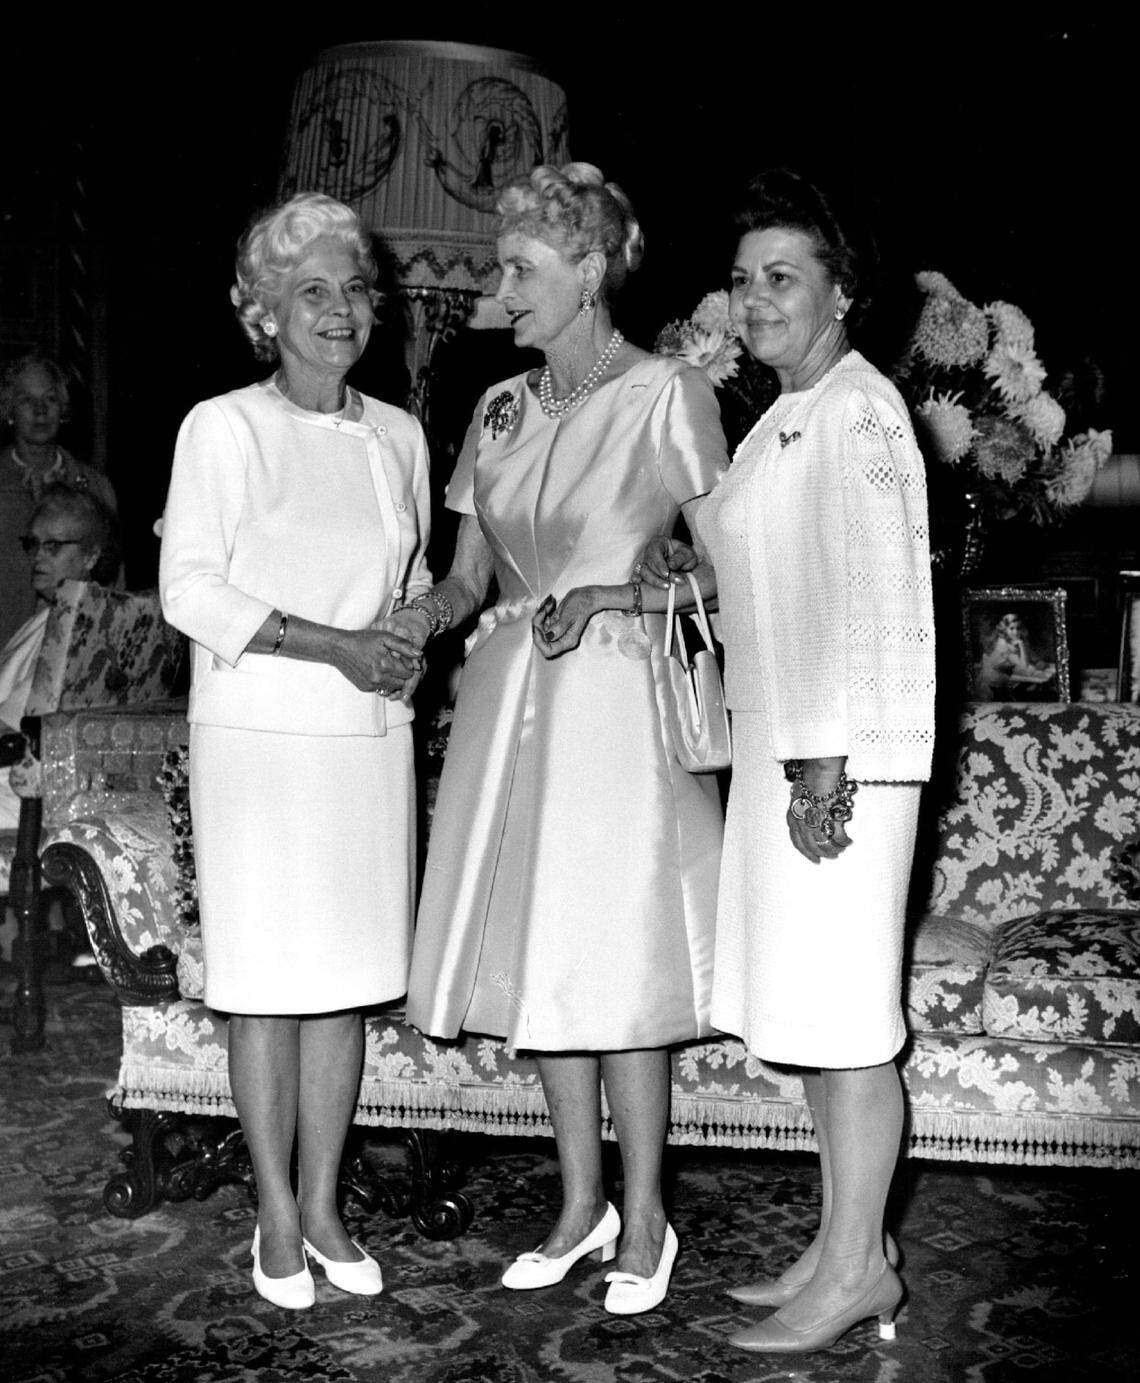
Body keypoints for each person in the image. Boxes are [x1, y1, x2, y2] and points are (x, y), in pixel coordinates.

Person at [403, 162, 728, 1315]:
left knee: (618, 961)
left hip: (618, 713)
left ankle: (648, 1218)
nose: (501, 290)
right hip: (507, 706)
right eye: (501, 268)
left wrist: (621, 598)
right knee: (549, 956)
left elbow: (723, 573)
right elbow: (465, 575)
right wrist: (415, 620)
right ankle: (581, 1204)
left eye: (521, 270)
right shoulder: (495, 408)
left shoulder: (666, 395)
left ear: (590, 273)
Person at [638, 168, 936, 1354]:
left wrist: (827, 764)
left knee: (850, 1023)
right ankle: (842, 1242)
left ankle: (861, 1268)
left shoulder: (861, 410)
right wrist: (692, 575)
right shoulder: (788, 413)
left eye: (783, 278)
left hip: (835, 757)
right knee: (814, 1015)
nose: (754, 300)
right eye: (744, 279)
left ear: (841, 292)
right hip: (787, 746)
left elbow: (872, 598)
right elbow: (768, 560)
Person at [159, 192, 433, 1310]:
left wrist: (409, 628)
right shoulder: (220, 427)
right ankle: (274, 1212)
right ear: (263, 310)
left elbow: (410, 581)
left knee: (343, 987)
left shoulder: (400, 434)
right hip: (261, 744)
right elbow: (190, 590)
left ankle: (325, 1205)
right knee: (268, 986)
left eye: (355, 290)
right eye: (311, 291)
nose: (339, 311)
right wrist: (337, 647)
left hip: (366, 741)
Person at [0, 485, 119, 829]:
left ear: (91, 556)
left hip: (18, 798)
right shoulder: (53, 614)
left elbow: (11, 728)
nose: (38, 556)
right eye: (33, 544)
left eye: (53, 545)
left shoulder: (75, 629)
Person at [0, 355, 117, 648]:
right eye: (27, 400)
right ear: (9, 410)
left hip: (73, 655)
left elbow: (113, 587)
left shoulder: (95, 487)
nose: (40, 411)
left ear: (62, 409)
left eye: (50, 399)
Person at [975, 611, 1055, 698]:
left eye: (1018, 628)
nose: (1016, 632)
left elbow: (1032, 657)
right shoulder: (1003, 644)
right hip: (998, 678)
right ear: (1005, 630)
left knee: (1046, 675)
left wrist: (1038, 662)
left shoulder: (1021, 640)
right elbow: (1024, 667)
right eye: (1012, 628)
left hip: (1013, 673)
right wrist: (1021, 646)